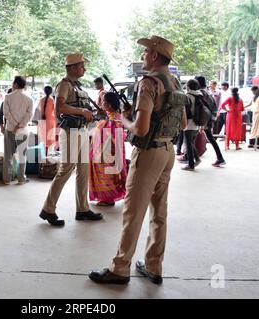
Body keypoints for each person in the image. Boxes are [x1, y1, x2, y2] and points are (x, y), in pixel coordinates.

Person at [89, 35, 187, 285]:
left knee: (133, 212)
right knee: (159, 211)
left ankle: (120, 268)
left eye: (145, 53)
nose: (143, 57)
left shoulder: (148, 83)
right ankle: (154, 266)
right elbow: (182, 123)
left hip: (148, 155)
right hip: (168, 152)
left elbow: (140, 129)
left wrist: (124, 120)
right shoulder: (175, 82)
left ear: (154, 56)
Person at [39, 53, 103, 227]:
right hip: (71, 132)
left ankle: (82, 209)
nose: (85, 69)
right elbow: (59, 107)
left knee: (83, 170)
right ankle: (48, 209)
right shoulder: (64, 85)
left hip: (81, 130)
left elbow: (79, 108)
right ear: (73, 67)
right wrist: (82, 112)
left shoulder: (77, 87)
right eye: (82, 66)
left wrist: (89, 113)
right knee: (66, 169)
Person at [89, 92, 127, 206]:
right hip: (105, 152)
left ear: (109, 105)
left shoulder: (114, 119)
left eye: (104, 101)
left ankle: (108, 198)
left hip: (107, 153)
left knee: (107, 175)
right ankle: (107, 197)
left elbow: (112, 137)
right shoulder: (112, 116)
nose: (102, 103)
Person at [3, 76, 34, 185]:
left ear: (15, 84)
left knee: (8, 155)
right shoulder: (29, 98)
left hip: (10, 129)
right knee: (22, 155)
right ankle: (21, 178)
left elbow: (6, 113)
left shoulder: (8, 97)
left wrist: (14, 125)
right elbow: (29, 115)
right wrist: (20, 125)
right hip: (23, 130)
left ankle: (7, 179)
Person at [196, 76, 226, 167]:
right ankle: (220, 158)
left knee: (210, 139)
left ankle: (220, 158)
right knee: (210, 138)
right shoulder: (207, 92)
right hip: (209, 119)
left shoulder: (202, 93)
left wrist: (202, 123)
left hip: (206, 120)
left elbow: (202, 109)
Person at [182, 79, 202, 171]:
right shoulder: (200, 95)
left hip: (189, 123)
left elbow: (184, 110)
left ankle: (191, 164)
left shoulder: (187, 96)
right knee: (191, 143)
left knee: (188, 144)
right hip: (198, 122)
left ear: (188, 86)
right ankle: (197, 159)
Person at [37, 86, 57, 154]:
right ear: (51, 92)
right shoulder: (52, 100)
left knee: (43, 138)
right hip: (50, 120)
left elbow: (38, 111)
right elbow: (55, 111)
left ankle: (43, 153)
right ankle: (48, 154)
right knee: (49, 138)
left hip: (42, 120)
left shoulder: (41, 99)